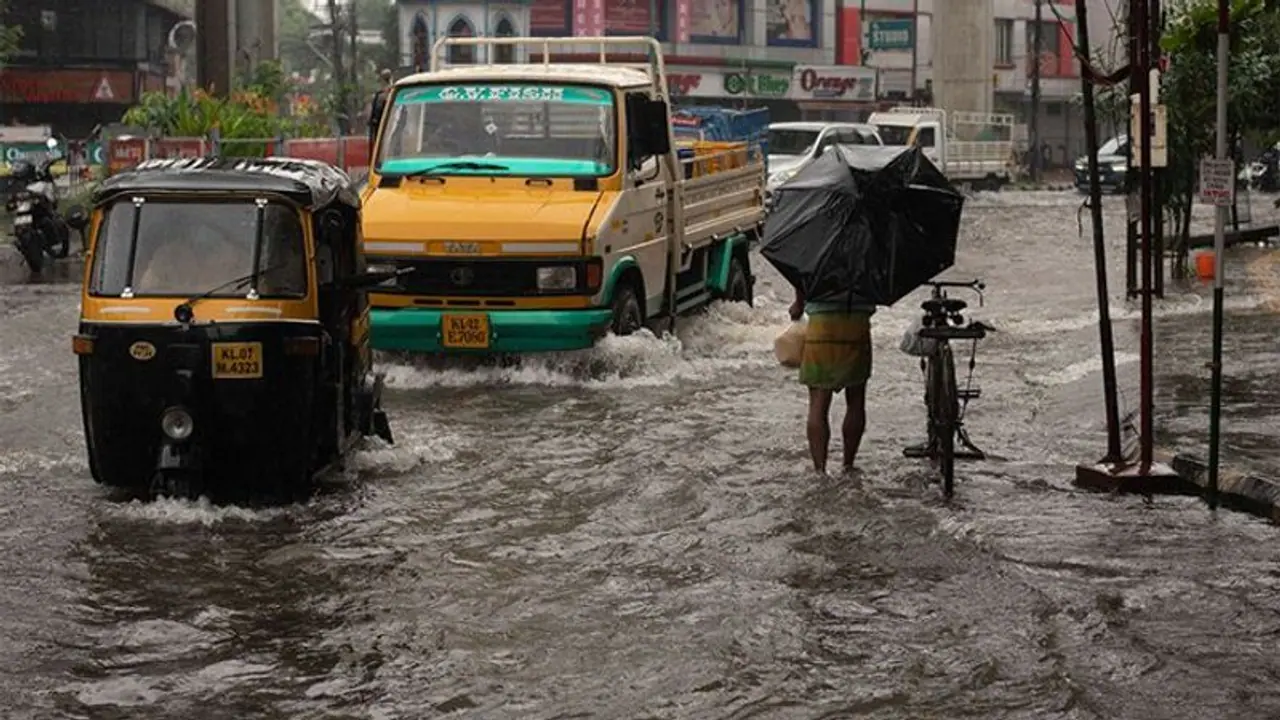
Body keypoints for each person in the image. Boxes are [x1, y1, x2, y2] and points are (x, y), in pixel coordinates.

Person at [789, 287, 875, 475]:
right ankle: (848, 465)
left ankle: (820, 470)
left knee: (818, 405)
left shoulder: (816, 266)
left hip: (822, 325)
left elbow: (801, 280)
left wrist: (799, 304)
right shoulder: (864, 267)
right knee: (856, 400)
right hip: (857, 323)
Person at [367, 69, 394, 147]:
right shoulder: (393, 92)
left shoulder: (381, 95)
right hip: (386, 125)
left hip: (382, 126)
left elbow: (375, 114)